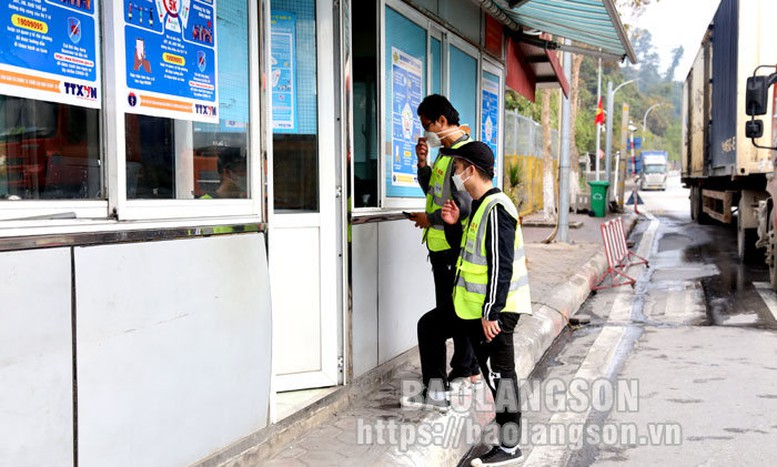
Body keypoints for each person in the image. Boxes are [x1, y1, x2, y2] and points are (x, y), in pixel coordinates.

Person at [440, 141, 532, 466]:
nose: (456, 175)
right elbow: (469, 255)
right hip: (481, 311)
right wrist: (453, 229)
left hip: (495, 312)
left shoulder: (496, 208)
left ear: (472, 170)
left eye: (458, 168)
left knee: (501, 377)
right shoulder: (480, 205)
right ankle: (508, 441)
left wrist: (491, 310)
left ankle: (509, 449)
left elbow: (500, 264)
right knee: (497, 377)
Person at [408, 95, 480, 404]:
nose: (426, 133)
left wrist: (430, 218)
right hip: (439, 247)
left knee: (451, 314)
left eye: (427, 126)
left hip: (453, 247)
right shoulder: (444, 154)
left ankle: (465, 370)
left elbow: (462, 205)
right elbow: (434, 192)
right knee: (447, 313)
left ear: (441, 120)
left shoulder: (462, 156)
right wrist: (422, 163)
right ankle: (464, 370)